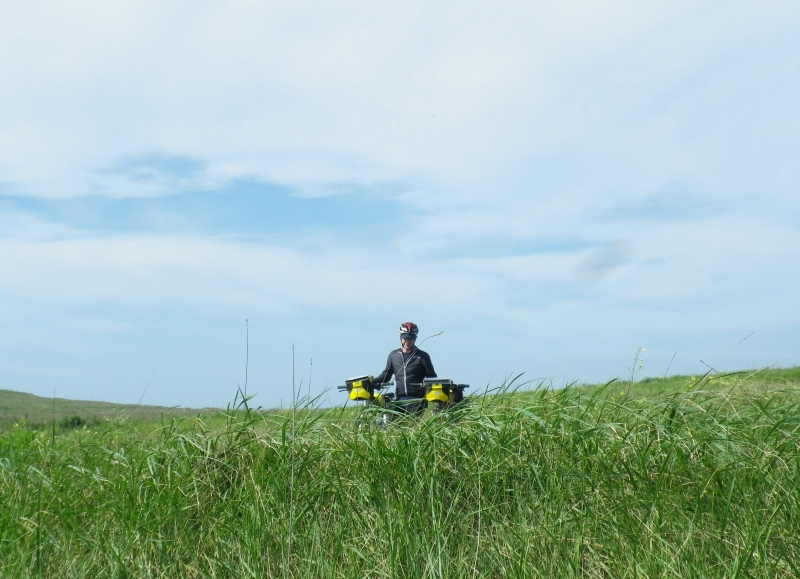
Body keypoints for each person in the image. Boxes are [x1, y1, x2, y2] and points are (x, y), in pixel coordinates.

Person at [374, 322, 437, 416]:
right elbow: (386, 375)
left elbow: (432, 377)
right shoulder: (393, 355)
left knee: (411, 427)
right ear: (400, 337)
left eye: (410, 338)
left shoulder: (423, 356)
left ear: (415, 338)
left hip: (417, 400)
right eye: (405, 338)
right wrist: (372, 382)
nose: (407, 341)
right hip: (399, 399)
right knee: (392, 424)